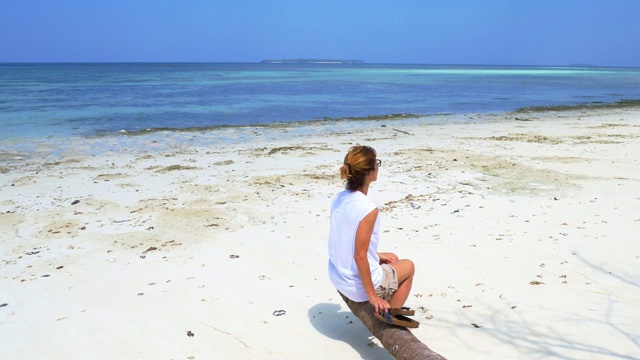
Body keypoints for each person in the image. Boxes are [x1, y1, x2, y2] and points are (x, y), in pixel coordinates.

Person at [328, 145, 415, 315]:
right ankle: (391, 319)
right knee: (409, 266)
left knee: (393, 258)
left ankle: (388, 303)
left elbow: (344, 240)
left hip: (338, 275)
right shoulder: (368, 209)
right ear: (371, 173)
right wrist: (372, 296)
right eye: (377, 164)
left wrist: (377, 255)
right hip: (355, 287)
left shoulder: (339, 198)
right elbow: (359, 256)